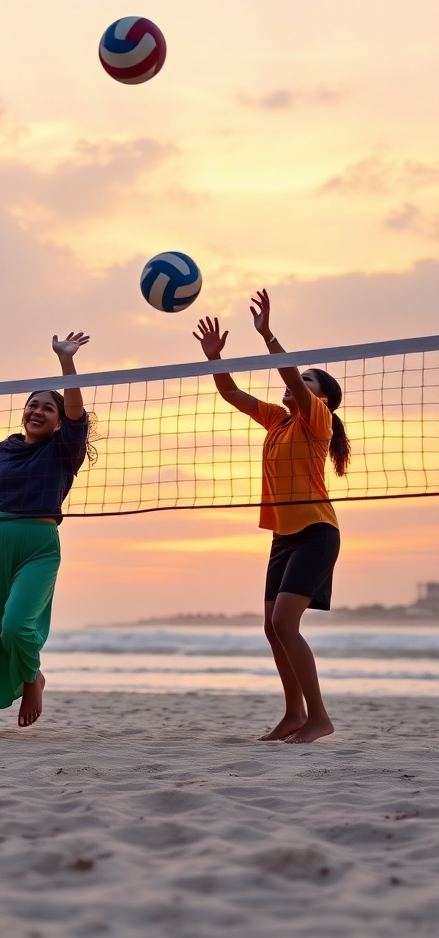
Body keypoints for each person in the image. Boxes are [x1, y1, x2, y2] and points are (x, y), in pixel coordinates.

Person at [194, 289, 348, 744]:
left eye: (308, 380)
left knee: (285, 623)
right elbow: (230, 391)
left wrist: (267, 335)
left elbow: (292, 379)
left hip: (317, 531)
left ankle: (319, 716)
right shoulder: (277, 422)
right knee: (271, 626)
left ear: (322, 397)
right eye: (299, 379)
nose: (297, 382)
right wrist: (215, 358)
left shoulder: (314, 419)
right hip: (284, 535)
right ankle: (293, 715)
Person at [0, 332, 93, 736]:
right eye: (33, 405)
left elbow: (76, 414)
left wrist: (65, 362)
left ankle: (33, 681)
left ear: (58, 420)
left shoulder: (62, 451)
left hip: (39, 546)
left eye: (48, 408)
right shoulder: (2, 450)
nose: (38, 411)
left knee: (16, 625)